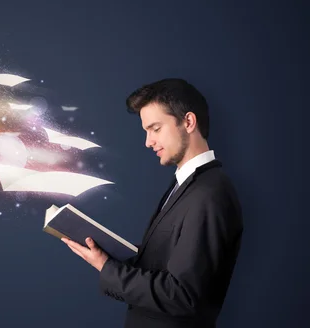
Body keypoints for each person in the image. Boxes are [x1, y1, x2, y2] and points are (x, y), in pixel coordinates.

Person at [62, 78, 243, 328]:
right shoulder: (185, 185)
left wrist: (108, 269)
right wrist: (108, 255)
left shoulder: (210, 193)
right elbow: (167, 262)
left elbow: (182, 296)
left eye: (155, 129)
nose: (148, 142)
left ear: (188, 122)